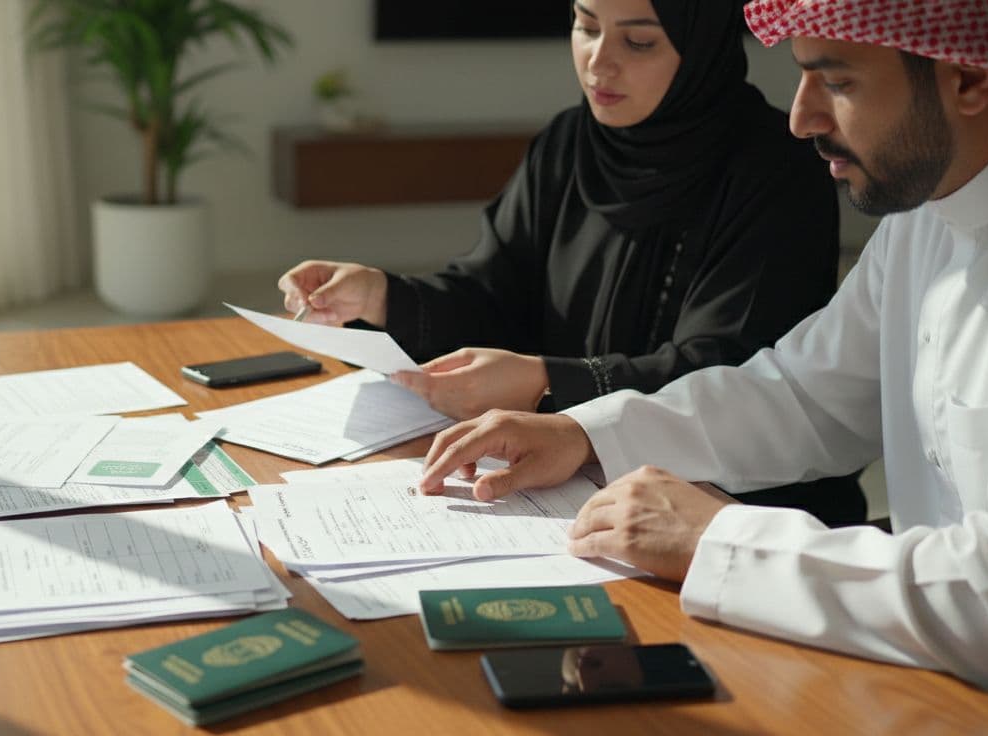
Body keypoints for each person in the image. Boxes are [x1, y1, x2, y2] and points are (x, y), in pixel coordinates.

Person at [418, 0, 988, 696]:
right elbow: (806, 395)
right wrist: (580, 434)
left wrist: (721, 540)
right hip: (933, 695)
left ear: (972, 80)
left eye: (837, 83)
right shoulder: (922, 221)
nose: (802, 119)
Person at [278, 0, 866, 525]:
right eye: (586, 26)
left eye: (638, 42)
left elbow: (732, 374)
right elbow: (494, 293)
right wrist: (382, 295)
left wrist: (547, 381)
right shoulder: (570, 143)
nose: (598, 63)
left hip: (727, 515)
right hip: (563, 491)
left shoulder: (775, 169)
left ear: (701, 46)